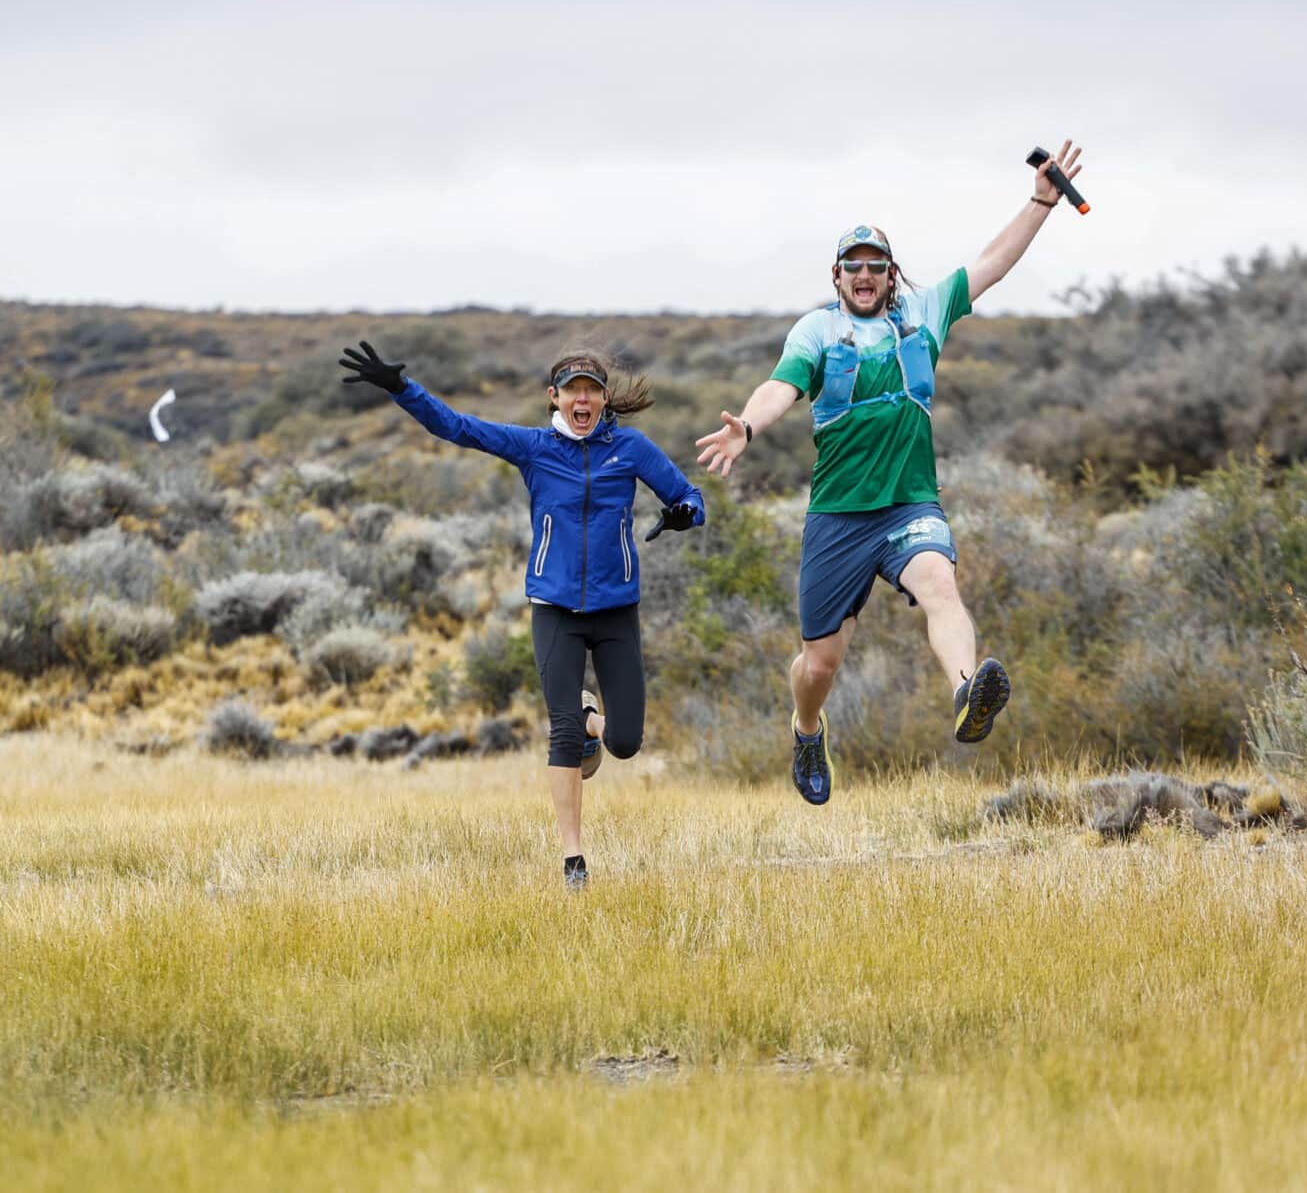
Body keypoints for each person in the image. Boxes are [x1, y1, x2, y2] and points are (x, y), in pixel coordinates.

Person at [694, 142, 1087, 806]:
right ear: (838, 276)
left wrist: (1043, 201)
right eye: (855, 268)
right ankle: (807, 726)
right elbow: (778, 388)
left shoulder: (925, 313)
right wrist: (748, 427)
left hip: (909, 504)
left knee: (939, 581)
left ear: (893, 273)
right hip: (840, 515)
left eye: (877, 266)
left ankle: (968, 692)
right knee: (820, 663)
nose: (866, 276)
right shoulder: (817, 331)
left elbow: (992, 262)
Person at [340, 338, 705, 886]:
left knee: (625, 743)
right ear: (553, 397)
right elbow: (456, 427)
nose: (583, 400)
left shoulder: (630, 449)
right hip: (554, 608)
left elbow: (690, 495)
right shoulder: (533, 448)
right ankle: (573, 861)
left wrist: (684, 513)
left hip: (615, 612)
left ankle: (592, 721)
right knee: (561, 734)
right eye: (572, 391)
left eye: (593, 391)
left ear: (604, 401)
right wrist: (401, 389)